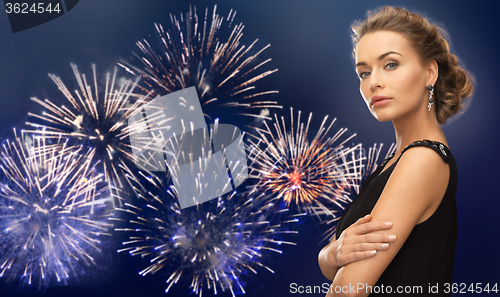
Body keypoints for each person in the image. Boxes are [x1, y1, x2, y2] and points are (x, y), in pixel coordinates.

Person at [318, 6, 474, 297]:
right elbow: (336, 263)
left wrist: (329, 258)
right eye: (364, 72)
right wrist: (329, 256)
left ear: (430, 72)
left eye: (390, 64)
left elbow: (346, 289)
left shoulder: (422, 160)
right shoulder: (396, 161)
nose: (373, 82)